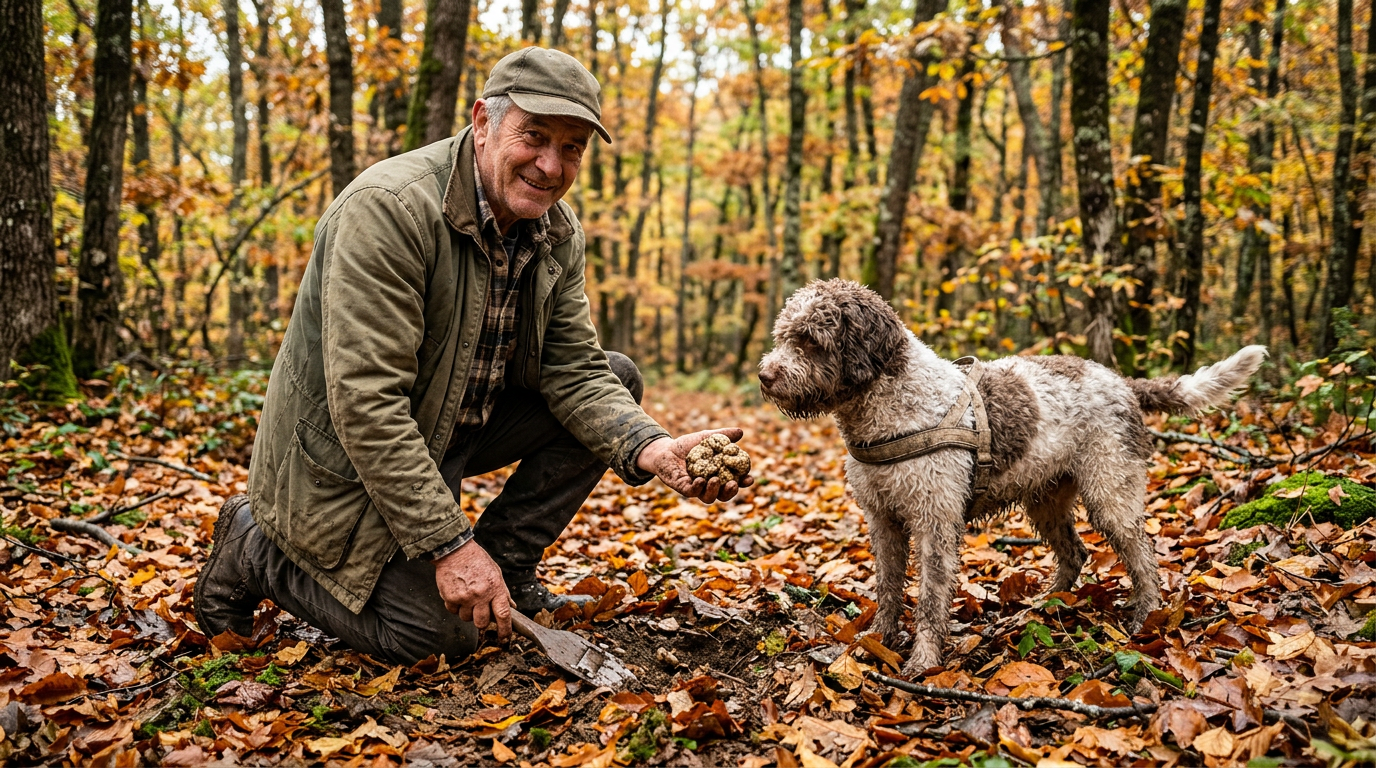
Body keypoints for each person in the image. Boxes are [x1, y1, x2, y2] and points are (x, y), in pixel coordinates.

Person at [193, 48, 752, 663]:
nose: (550, 165)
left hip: (447, 434)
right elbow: (366, 403)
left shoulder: (556, 234)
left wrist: (651, 448)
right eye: (534, 137)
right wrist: (449, 545)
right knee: (437, 640)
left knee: (619, 379)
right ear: (484, 122)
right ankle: (254, 544)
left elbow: (575, 371)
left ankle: (507, 567)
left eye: (571, 149)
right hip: (339, 465)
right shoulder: (389, 210)